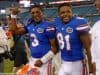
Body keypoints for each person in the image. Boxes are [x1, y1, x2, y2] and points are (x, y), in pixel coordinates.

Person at [9, 5, 58, 75]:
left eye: (38, 12)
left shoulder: (48, 26)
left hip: (45, 62)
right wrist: (13, 15)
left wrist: (42, 60)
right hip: (33, 60)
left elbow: (55, 48)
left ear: (42, 13)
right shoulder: (30, 25)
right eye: (33, 13)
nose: (35, 14)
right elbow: (14, 31)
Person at [54, 3, 93, 75]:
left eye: (68, 11)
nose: (66, 14)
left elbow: (89, 48)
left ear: (72, 12)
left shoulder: (79, 23)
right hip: (64, 63)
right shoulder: (57, 22)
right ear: (59, 15)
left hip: (78, 64)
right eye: (62, 12)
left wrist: (90, 69)